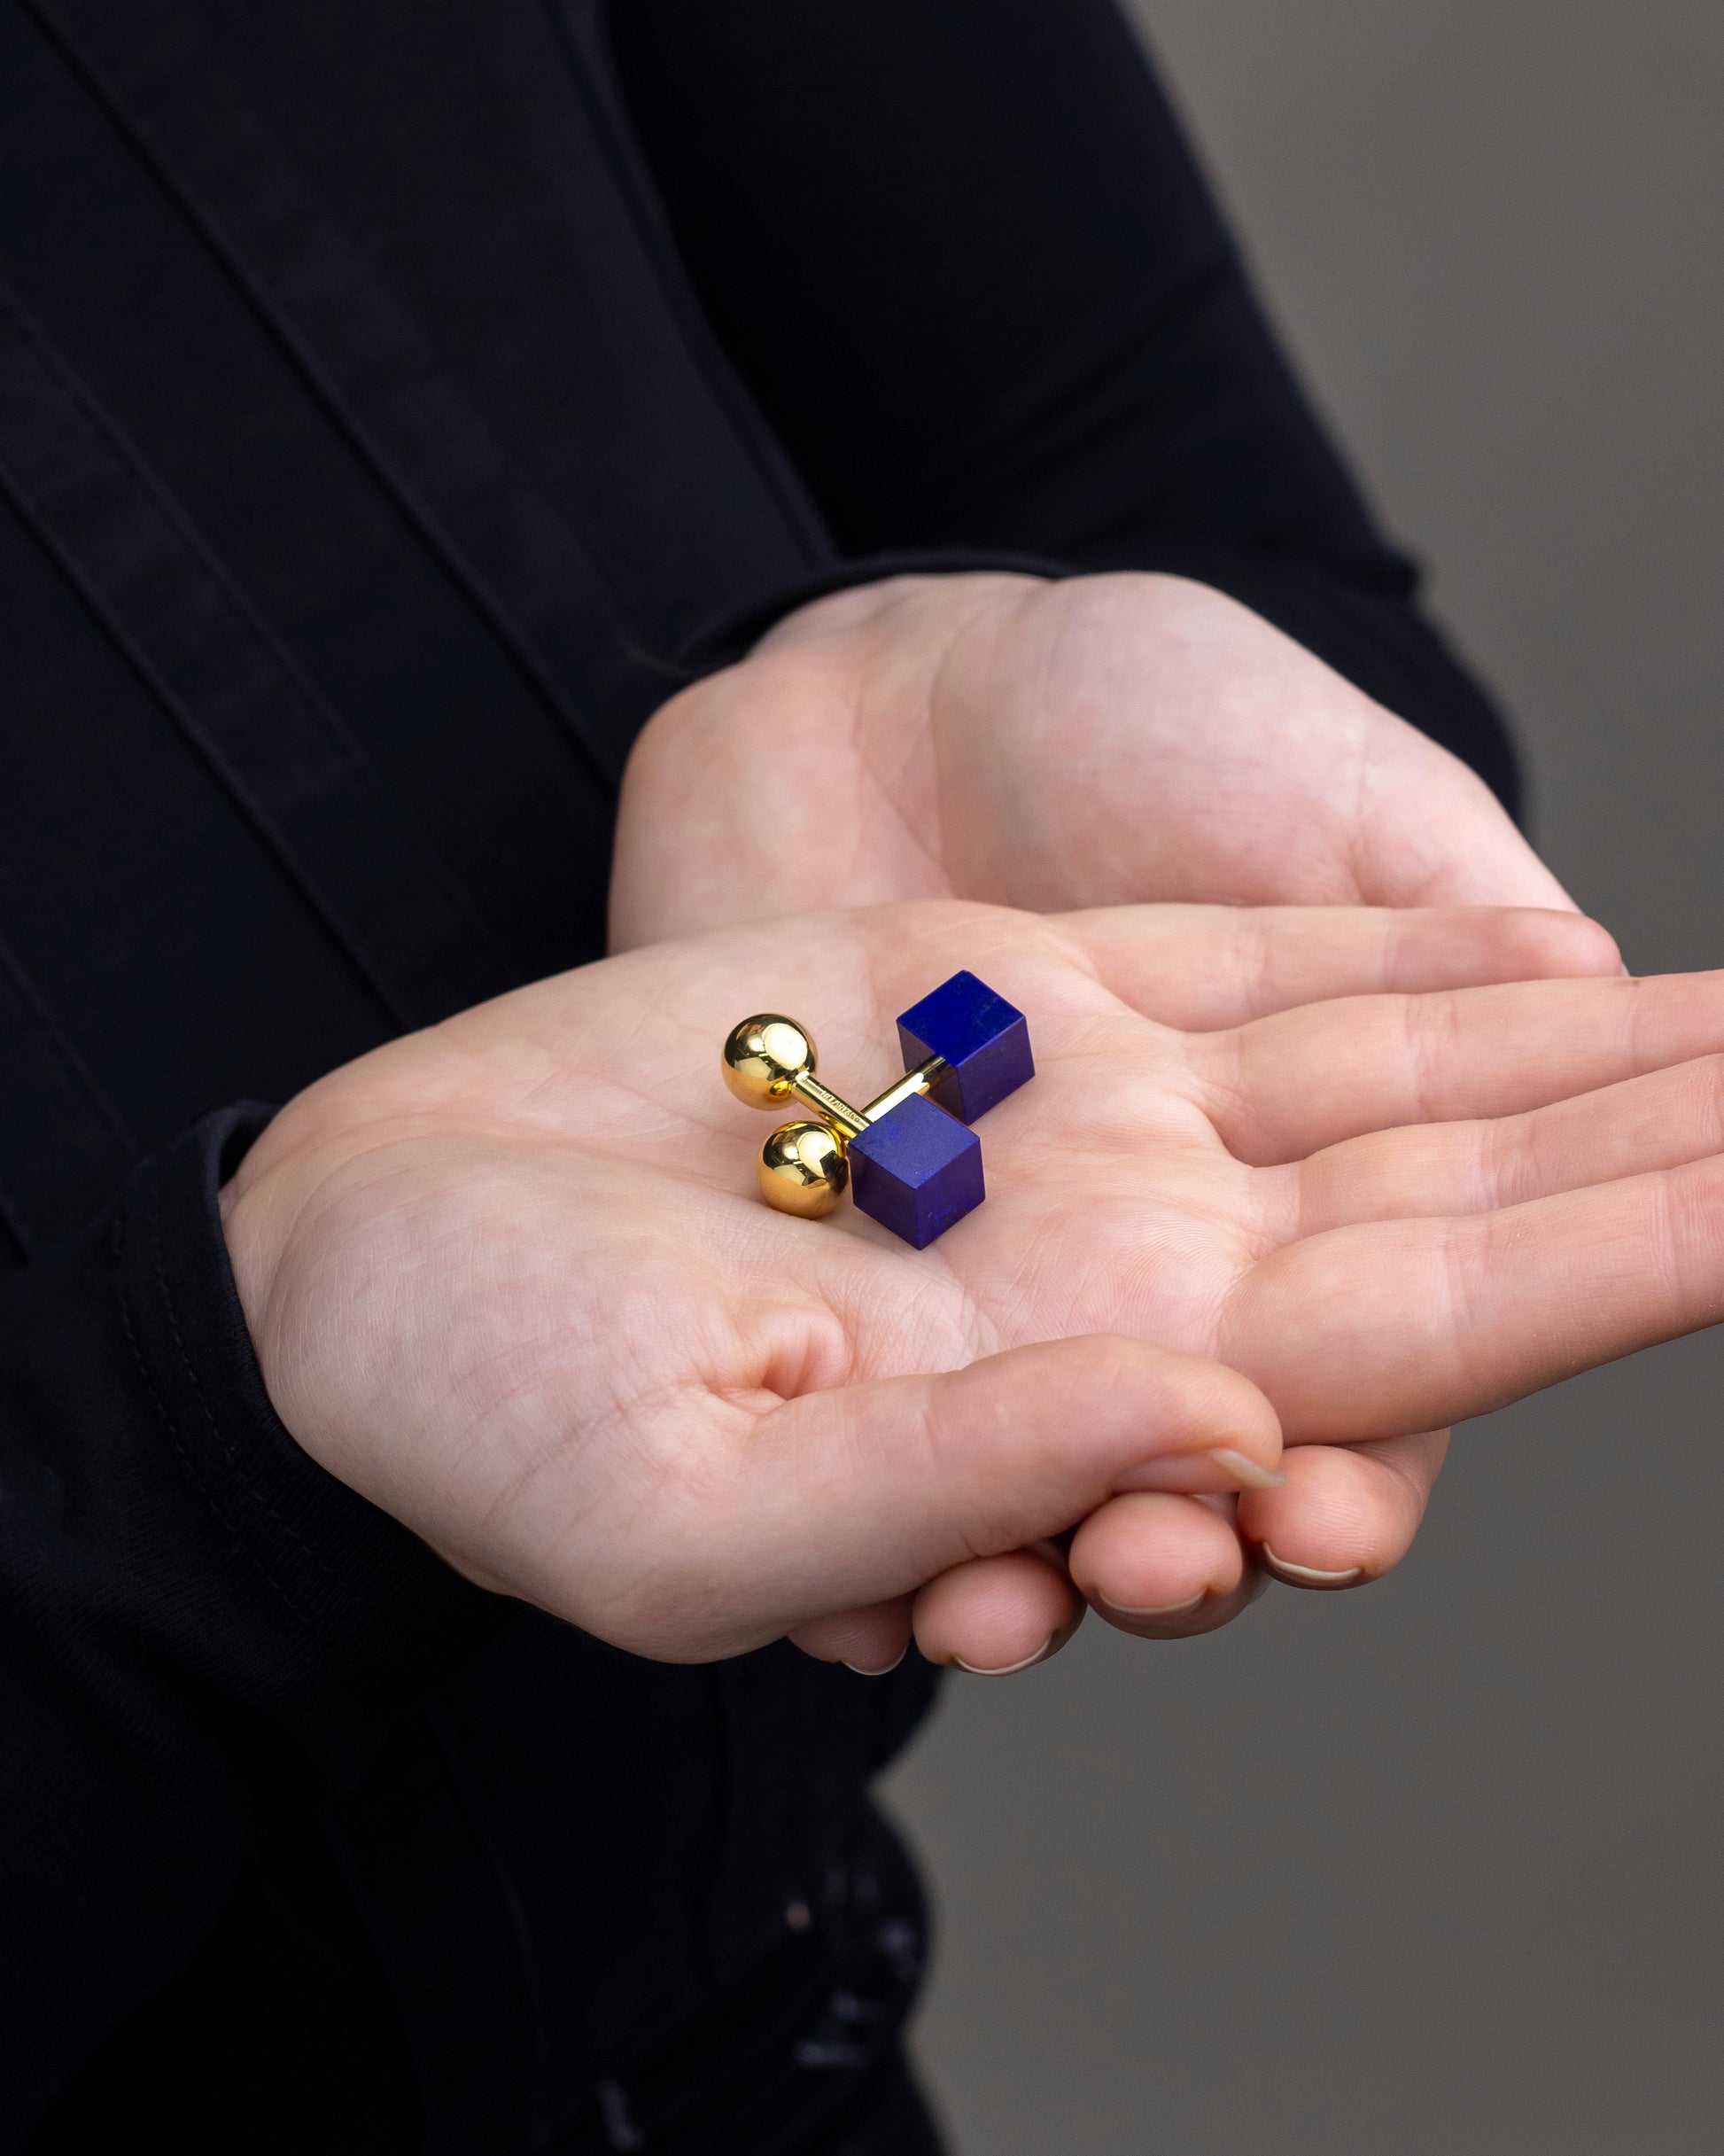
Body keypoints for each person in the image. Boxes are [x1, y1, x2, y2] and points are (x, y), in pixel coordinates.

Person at [6, 4, 1720, 2150]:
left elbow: (1177, 506)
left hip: (787, 2060)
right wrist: (182, 1442)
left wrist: (914, 655)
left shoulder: (870, 1096)